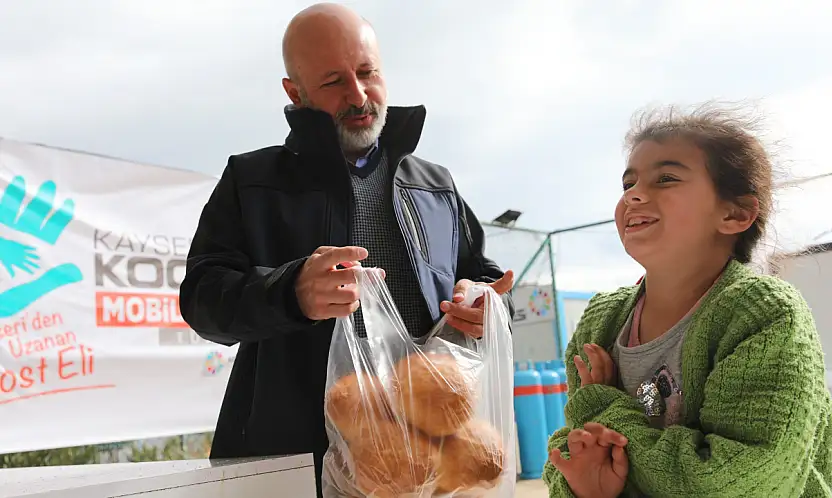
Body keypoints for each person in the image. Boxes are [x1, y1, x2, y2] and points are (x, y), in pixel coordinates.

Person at [178, 3, 514, 497]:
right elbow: (202, 301)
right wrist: (289, 291)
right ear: (296, 92)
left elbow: (481, 273)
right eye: (334, 81)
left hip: (430, 465)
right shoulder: (251, 181)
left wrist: (484, 301)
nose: (358, 96)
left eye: (366, 72)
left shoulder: (435, 185)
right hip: (296, 464)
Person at [542, 102, 832, 497]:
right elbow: (571, 455)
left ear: (736, 214)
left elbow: (740, 483)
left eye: (665, 179)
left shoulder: (765, 312)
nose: (635, 196)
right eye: (628, 184)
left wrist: (605, 406)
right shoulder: (602, 320)